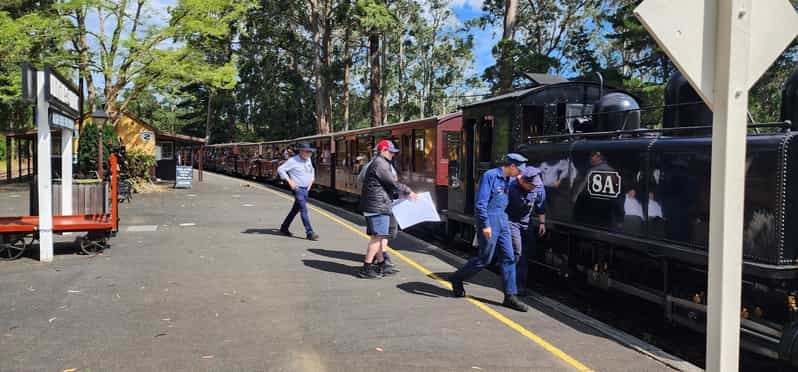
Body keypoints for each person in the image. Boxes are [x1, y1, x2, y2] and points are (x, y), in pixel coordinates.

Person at [450, 153, 529, 312]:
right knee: (485, 258)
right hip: (490, 221)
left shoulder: (511, 179)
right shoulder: (490, 176)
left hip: (503, 219)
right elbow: (481, 204)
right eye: (519, 169)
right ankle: (457, 278)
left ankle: (510, 296)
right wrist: (485, 225)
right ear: (512, 166)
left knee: (509, 257)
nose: (521, 173)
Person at [358, 140, 416, 279]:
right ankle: (366, 268)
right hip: (377, 206)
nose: (393, 155)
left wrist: (400, 194)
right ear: (383, 150)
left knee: (379, 236)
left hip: (377, 204)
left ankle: (382, 264)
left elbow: (387, 186)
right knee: (377, 238)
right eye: (391, 152)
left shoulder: (380, 163)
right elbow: (392, 183)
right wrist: (409, 192)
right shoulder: (380, 164)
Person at [507, 165, 546, 297]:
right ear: (523, 181)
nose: (535, 188)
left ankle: (519, 284)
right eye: (532, 186)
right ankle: (515, 287)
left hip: (526, 222)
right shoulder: (512, 188)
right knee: (518, 253)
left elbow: (541, 205)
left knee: (527, 252)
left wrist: (542, 223)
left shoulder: (538, 187)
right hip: (512, 222)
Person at [278, 143, 319, 241]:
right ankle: (309, 232)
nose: (310, 154)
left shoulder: (308, 160)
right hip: (298, 189)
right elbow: (280, 169)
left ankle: (284, 227)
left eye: (310, 152)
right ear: (301, 151)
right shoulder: (293, 161)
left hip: (305, 189)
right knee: (304, 210)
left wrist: (311, 181)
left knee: (295, 210)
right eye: (307, 152)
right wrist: (290, 182)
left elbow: (311, 170)